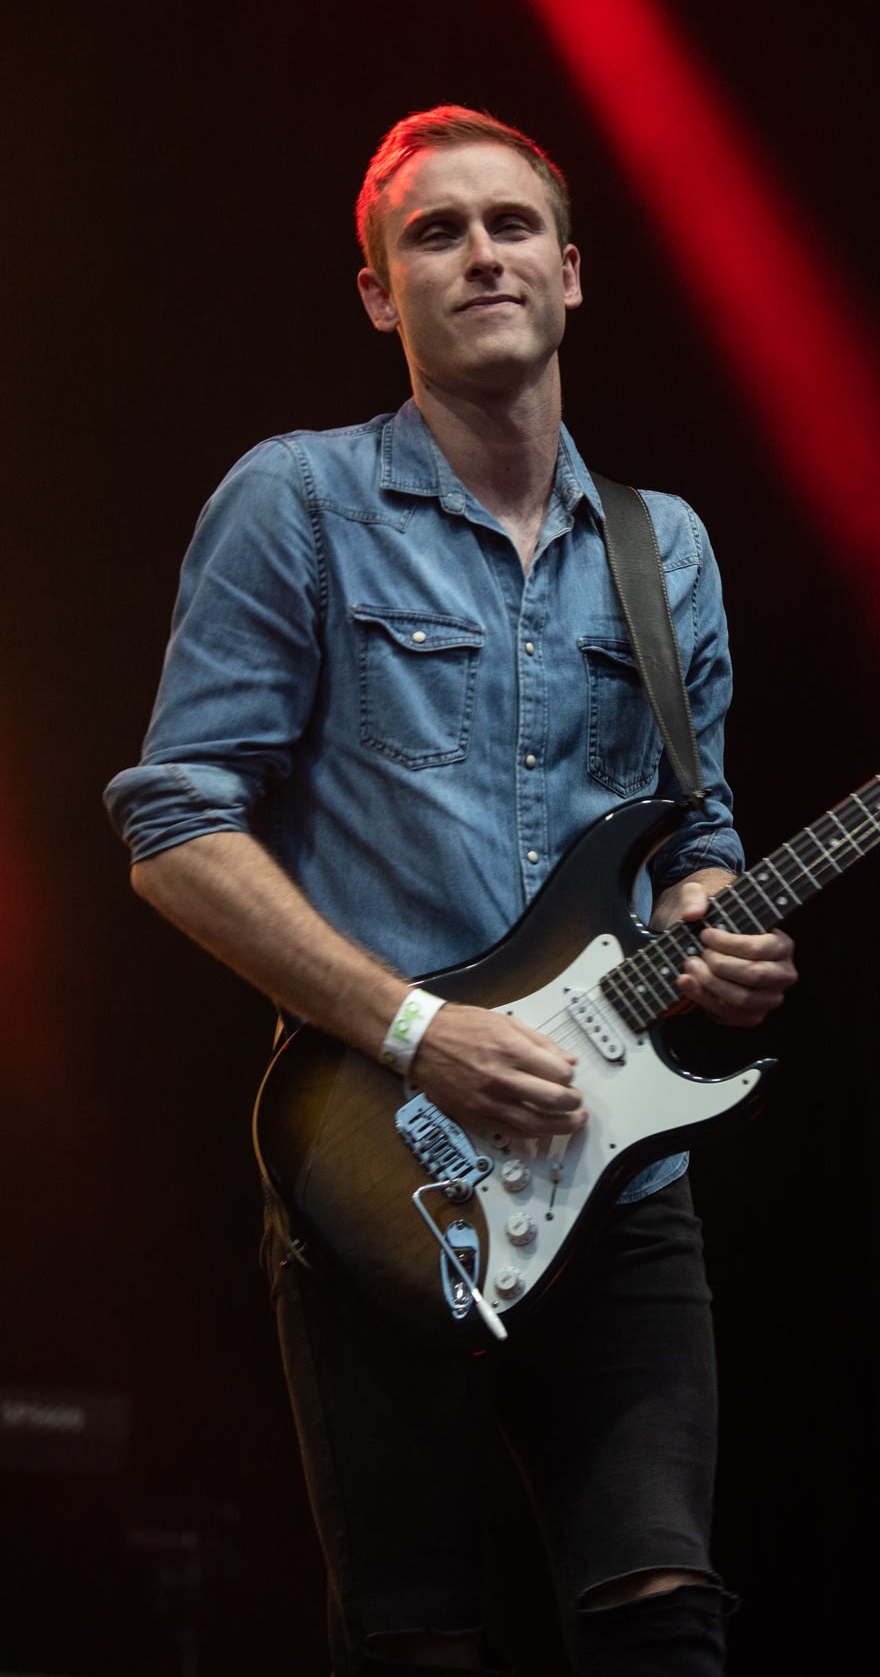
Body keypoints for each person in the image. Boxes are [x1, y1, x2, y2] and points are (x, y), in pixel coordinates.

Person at [104, 105, 796, 1677]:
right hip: (385, 1171)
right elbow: (176, 829)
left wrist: (718, 926)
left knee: (665, 1625)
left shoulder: (666, 549)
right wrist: (420, 1032)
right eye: (435, 233)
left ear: (572, 269)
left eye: (510, 224)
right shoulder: (298, 502)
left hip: (621, 1178)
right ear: (378, 294)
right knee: (414, 1644)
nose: (481, 254)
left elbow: (697, 832)